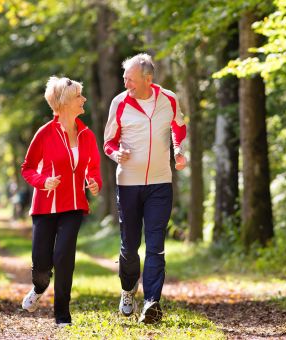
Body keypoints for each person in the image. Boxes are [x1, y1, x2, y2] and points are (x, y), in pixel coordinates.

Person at [104, 53, 187, 324]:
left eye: (130, 78)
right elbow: (108, 142)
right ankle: (128, 290)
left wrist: (179, 151)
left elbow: (179, 126)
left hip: (160, 184)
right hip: (128, 184)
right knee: (130, 247)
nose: (125, 82)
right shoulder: (119, 103)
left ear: (147, 79)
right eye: (124, 77)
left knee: (156, 245)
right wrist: (117, 154)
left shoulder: (169, 99)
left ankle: (152, 302)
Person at [20, 76, 102, 327]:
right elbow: (27, 168)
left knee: (64, 257)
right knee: (42, 265)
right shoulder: (44, 133)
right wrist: (43, 181)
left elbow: (93, 167)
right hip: (45, 206)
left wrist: (93, 181)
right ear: (65, 102)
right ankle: (38, 287)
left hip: (74, 205)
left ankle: (62, 316)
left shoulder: (86, 134)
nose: (84, 99)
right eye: (79, 95)